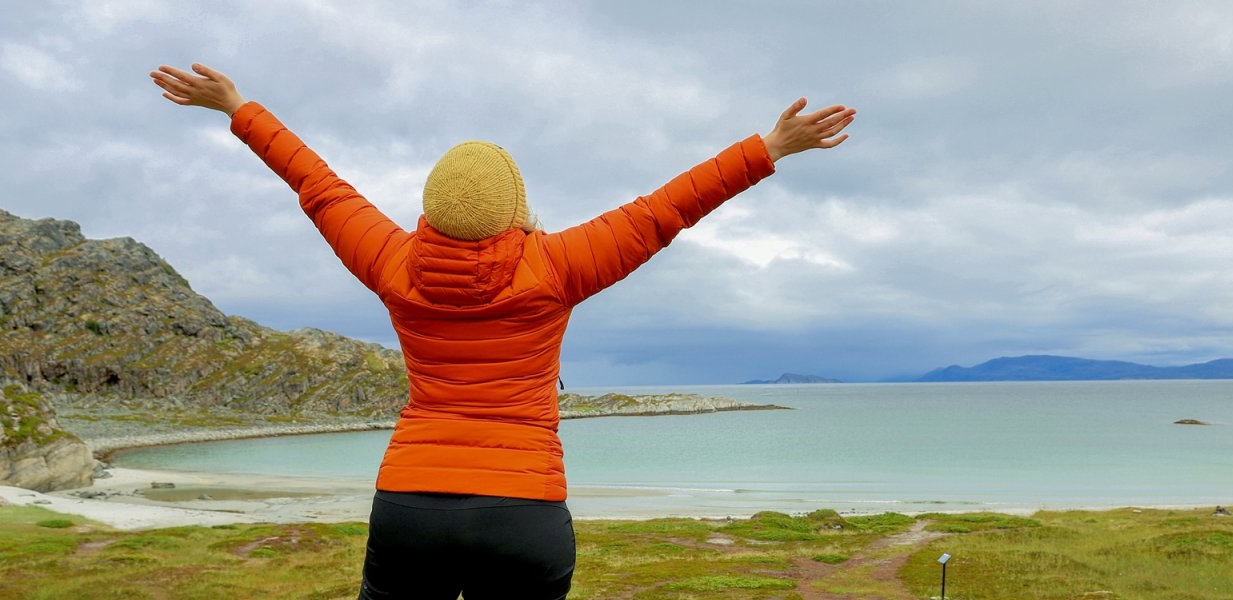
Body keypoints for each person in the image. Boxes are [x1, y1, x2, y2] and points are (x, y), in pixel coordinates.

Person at [152, 62, 854, 599]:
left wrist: (238, 108)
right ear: (517, 208)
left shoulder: (393, 262)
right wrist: (768, 147)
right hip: (523, 511)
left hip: (411, 505)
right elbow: (664, 211)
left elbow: (318, 185)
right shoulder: (555, 267)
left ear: (430, 211)